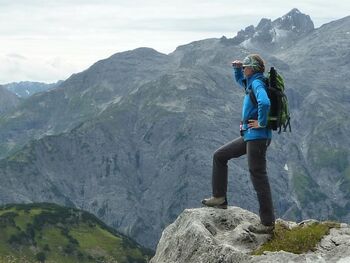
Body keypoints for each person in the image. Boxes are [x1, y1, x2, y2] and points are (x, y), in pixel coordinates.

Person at [202, 54, 275, 233]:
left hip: (257, 136)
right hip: (250, 135)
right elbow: (241, 81)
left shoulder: (257, 83)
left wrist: (262, 122)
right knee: (220, 156)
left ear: (253, 69)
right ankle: (219, 198)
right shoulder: (251, 82)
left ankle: (267, 223)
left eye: (245, 67)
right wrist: (236, 69)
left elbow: (264, 102)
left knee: (258, 175)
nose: (243, 69)